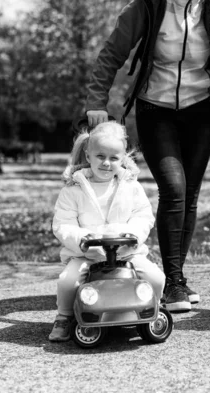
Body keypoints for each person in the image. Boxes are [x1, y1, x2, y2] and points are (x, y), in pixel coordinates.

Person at [84, 0, 210, 312]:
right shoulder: (146, 7)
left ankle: (175, 281)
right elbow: (111, 53)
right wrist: (96, 101)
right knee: (174, 189)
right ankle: (173, 280)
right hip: (154, 108)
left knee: (190, 195)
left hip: (200, 108)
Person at [49, 121, 165, 342]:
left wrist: (132, 236)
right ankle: (63, 317)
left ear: (123, 159)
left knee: (156, 278)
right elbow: (63, 223)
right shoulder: (73, 188)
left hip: (125, 253)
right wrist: (82, 239)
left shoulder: (130, 186)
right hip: (87, 255)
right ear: (88, 153)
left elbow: (143, 215)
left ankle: (153, 310)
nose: (106, 163)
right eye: (100, 156)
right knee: (67, 281)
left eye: (114, 158)